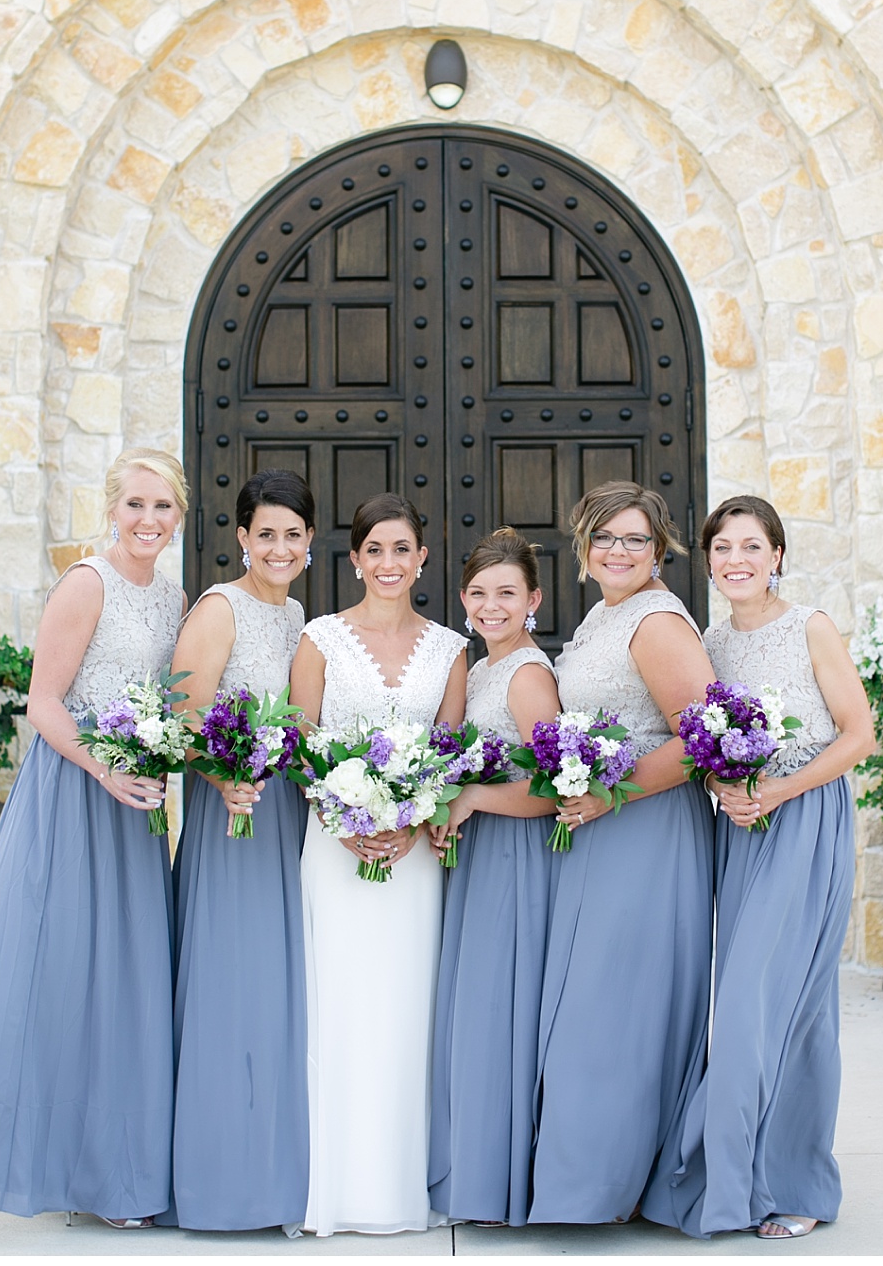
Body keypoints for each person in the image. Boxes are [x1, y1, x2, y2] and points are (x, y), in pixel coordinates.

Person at [0, 449, 187, 1229]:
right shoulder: (86, 582)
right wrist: (106, 769)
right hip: (76, 794)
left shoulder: (173, 599)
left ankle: (115, 1167)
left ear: (179, 516)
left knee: (127, 981)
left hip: (135, 805)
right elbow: (44, 700)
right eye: (135, 503)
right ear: (111, 507)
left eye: (163, 507)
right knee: (66, 971)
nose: (148, 520)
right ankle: (56, 1159)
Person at [641, 495, 875, 1241]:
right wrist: (724, 785)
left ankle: (798, 1180)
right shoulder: (710, 642)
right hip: (741, 829)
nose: (736, 560)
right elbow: (706, 745)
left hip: (804, 819)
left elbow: (858, 733)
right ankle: (735, 1175)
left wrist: (778, 788)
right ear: (707, 560)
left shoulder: (810, 627)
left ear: (777, 554)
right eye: (722, 548)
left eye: (752, 546)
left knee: (779, 1004)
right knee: (744, 1003)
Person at [528, 481, 716, 1226]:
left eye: (636, 539)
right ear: (583, 543)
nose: (619, 550)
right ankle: (599, 1178)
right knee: (598, 1005)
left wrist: (613, 793)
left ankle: (609, 1185)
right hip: (601, 831)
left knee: (619, 1008)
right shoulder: (608, 615)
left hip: (648, 830)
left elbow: (701, 737)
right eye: (606, 536)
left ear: (660, 547)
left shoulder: (657, 621)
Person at [290, 492, 468, 1236]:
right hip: (334, 852)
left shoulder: (451, 648)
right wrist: (344, 820)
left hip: (414, 858)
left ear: (421, 557)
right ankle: (335, 1188)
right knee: (339, 1008)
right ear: (355, 557)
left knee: (405, 1012)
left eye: (403, 549)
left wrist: (415, 815)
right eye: (375, 549)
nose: (389, 563)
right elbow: (301, 744)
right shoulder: (320, 638)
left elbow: (452, 752)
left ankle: (398, 1187)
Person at [167, 470, 315, 1233]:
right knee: (235, 982)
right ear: (241, 538)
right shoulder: (219, 609)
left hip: (288, 812)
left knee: (283, 986)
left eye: (293, 534)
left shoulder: (297, 617)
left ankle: (276, 1164)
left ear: (310, 543)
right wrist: (224, 777)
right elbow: (185, 717)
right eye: (266, 533)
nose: (279, 546)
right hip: (236, 816)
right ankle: (223, 1178)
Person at [428, 527, 560, 1226]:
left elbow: (554, 788)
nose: (491, 604)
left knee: (502, 1009)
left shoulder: (528, 674)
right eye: (479, 592)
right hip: (482, 855)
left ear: (533, 598)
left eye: (507, 591)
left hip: (518, 854)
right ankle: (476, 1168)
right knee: (479, 1008)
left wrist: (473, 796)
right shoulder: (479, 670)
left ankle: (500, 1181)